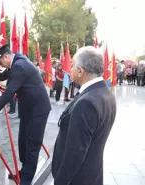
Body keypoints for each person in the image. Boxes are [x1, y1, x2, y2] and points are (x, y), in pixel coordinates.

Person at [0, 44, 51, 185]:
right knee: (23, 143)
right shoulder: (16, 62)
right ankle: (24, 171)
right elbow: (1, 75)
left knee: (32, 147)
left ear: (6, 56)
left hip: (38, 111)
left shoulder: (19, 66)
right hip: (28, 110)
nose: (1, 66)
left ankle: (26, 180)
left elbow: (9, 93)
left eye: (0, 63)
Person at [52, 46, 117, 185]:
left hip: (78, 178)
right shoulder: (106, 92)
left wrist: (60, 181)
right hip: (92, 173)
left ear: (80, 71)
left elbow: (75, 153)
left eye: (72, 65)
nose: (70, 69)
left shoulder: (86, 103)